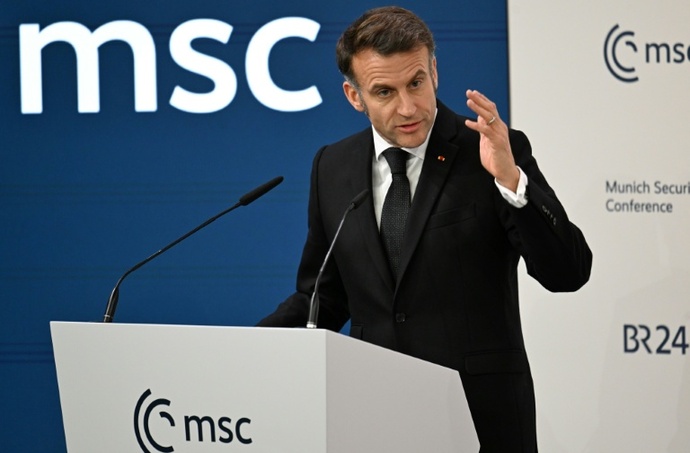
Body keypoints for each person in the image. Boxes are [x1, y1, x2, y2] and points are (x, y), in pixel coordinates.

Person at [258, 6, 592, 452]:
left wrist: (512, 181)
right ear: (354, 96)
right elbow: (323, 298)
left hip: (481, 418)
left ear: (434, 70)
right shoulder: (332, 167)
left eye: (416, 82)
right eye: (384, 91)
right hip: (374, 417)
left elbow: (568, 272)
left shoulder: (490, 151)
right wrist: (247, 347)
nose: (408, 107)